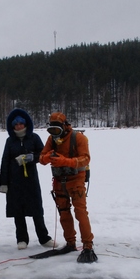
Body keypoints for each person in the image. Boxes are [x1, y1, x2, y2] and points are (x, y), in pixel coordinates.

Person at [39, 112, 97, 263]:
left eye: (57, 130)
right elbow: (41, 158)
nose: (54, 134)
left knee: (80, 212)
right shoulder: (52, 139)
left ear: (65, 126)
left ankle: (88, 246)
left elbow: (86, 159)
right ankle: (70, 242)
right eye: (52, 130)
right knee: (64, 213)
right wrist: (48, 157)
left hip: (76, 180)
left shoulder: (78, 138)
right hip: (59, 181)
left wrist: (65, 161)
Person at [0, 108, 54, 250]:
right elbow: (5, 161)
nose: (19, 126)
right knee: (18, 211)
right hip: (14, 181)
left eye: (21, 123)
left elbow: (43, 154)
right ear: (12, 126)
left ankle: (44, 238)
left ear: (26, 124)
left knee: (36, 210)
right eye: (16, 124)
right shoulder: (10, 141)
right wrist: (3, 182)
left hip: (31, 181)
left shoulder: (34, 138)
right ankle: (22, 239)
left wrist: (30, 158)